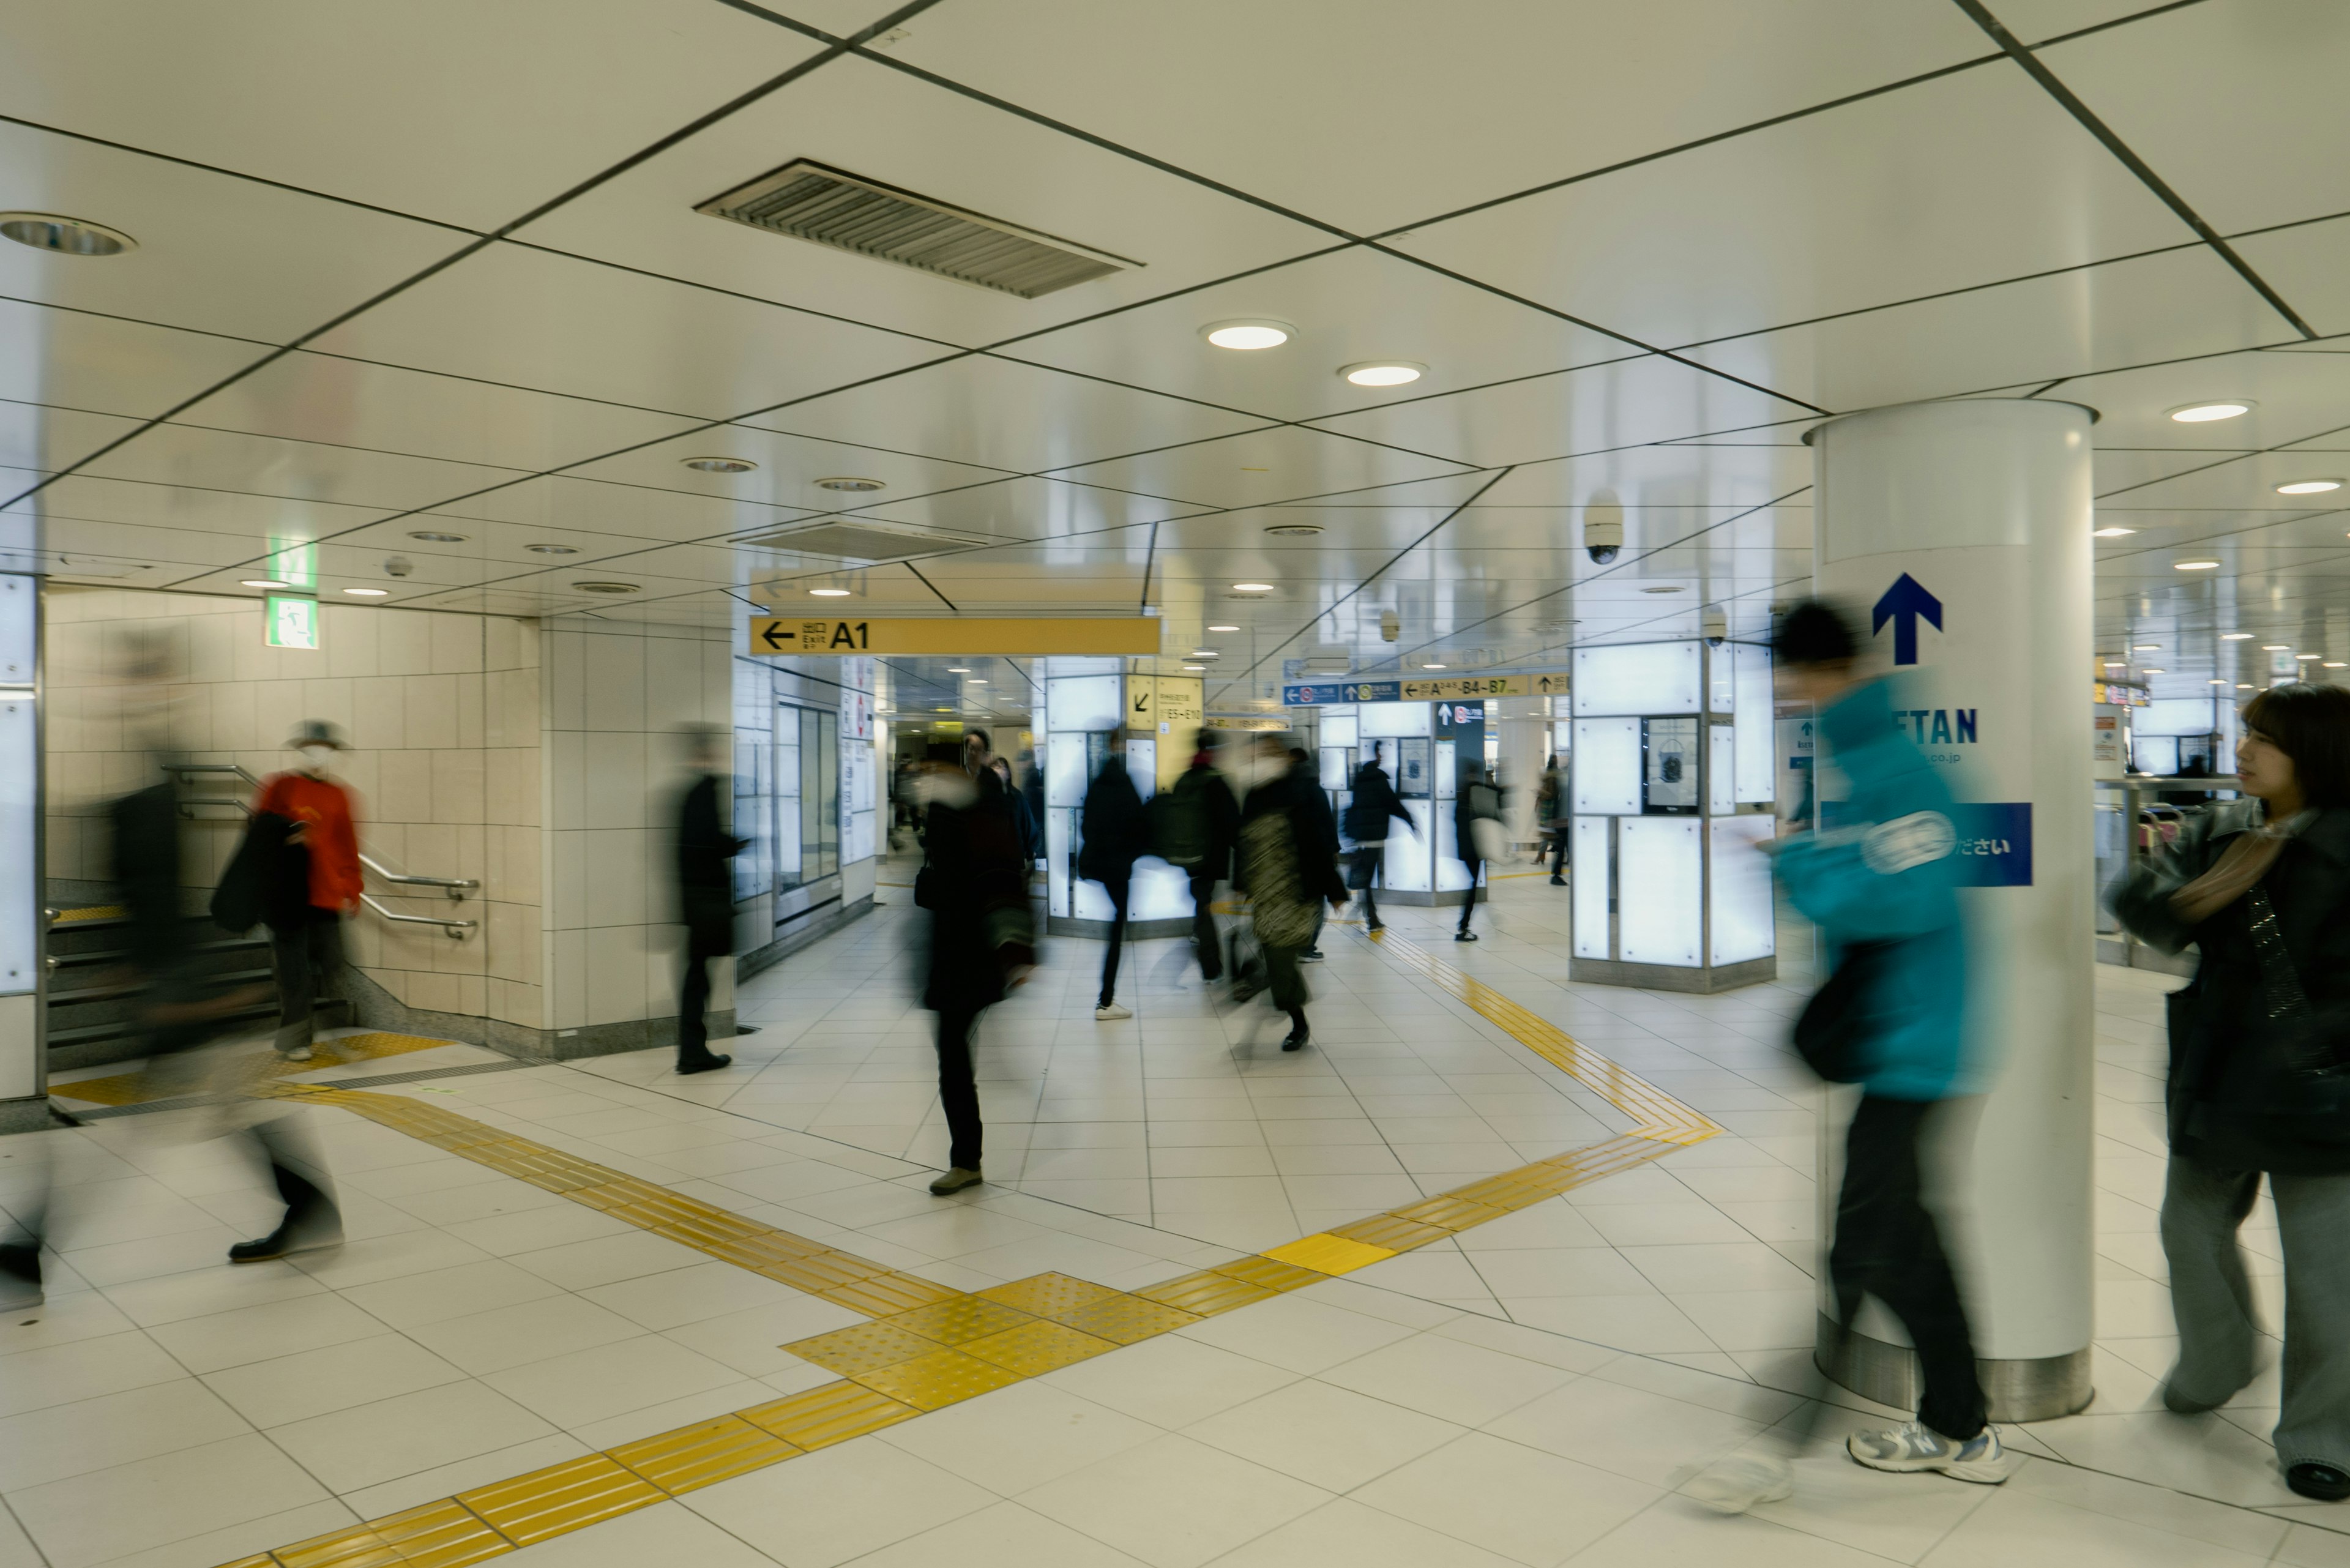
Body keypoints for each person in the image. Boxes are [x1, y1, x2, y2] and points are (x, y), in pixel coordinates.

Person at [1766, 599, 2001, 1487]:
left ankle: (1948, 1423)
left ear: (1812, 672)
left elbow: (1904, 896)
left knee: (1866, 1239)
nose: (1790, 694)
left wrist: (1798, 863)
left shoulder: (1897, 766)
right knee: (1898, 1232)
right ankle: (1960, 1423)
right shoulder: (1867, 757)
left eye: (1791, 678)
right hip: (1908, 1034)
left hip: (1920, 1039)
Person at [2111, 682, 2350, 1501]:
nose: (2243, 749)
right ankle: (2216, 1360)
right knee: (2189, 1226)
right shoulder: (2223, 828)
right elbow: (2136, 903)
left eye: (2264, 739)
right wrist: (2198, 894)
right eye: (2245, 733)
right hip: (2222, 1074)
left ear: (2313, 752)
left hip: (2324, 1091)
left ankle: (2322, 1435)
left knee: (2326, 1276)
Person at [917, 730, 1034, 1195]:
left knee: (952, 1054)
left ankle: (967, 1161)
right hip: (963, 951)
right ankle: (967, 1159)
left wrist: (1015, 953)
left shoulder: (968, 810)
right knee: (954, 1053)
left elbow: (994, 879)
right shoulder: (968, 807)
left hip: (965, 953)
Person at [253, 721, 362, 1063]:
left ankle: (319, 1029)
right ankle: (295, 1040)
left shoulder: (340, 795)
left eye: (323, 746)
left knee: (333, 963)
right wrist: (287, 837)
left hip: (326, 895)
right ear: (300, 748)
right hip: (290, 896)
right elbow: (258, 833)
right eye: (311, 745)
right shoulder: (280, 787)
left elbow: (347, 845)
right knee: (295, 974)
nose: (317, 752)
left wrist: (353, 886)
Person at [1234, 734, 1346, 1051]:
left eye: (1270, 752)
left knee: (1280, 955)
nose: (1263, 758)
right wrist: (1241, 881)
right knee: (1274, 953)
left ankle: (1294, 1016)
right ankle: (1294, 1013)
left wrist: (1334, 889)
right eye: (1259, 753)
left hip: (1297, 890)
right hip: (1266, 892)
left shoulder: (1303, 791)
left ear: (1285, 757)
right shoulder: (1255, 795)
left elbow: (1318, 844)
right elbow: (1244, 843)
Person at [673, 723, 747, 1075]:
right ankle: (692, 1052)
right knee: (697, 980)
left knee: (696, 978)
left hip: (695, 902)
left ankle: (693, 1050)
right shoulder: (704, 790)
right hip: (706, 902)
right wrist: (733, 845)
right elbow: (706, 844)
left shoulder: (688, 793)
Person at [1156, 732, 1239, 983]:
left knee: (1201, 899)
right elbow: (1233, 823)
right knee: (1204, 904)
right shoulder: (1216, 781)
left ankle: (1200, 935)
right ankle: (1210, 962)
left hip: (1188, 855)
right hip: (1211, 857)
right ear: (1214, 751)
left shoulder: (1184, 777)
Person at [1079, 750, 1148, 1021]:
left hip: (1100, 866)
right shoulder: (1127, 787)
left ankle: (1106, 999)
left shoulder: (1096, 786)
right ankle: (1105, 1001)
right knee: (1118, 926)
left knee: (1116, 923)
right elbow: (1139, 826)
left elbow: (1087, 828)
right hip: (1119, 869)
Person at [1343, 745, 1416, 933]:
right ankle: (1371, 917)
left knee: (1365, 875)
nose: (1382, 756)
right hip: (1374, 837)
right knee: (1368, 876)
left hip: (1360, 835)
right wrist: (1410, 820)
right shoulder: (1379, 780)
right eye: (1379, 753)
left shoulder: (1359, 779)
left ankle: (1369, 913)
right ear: (1374, 756)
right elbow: (1392, 804)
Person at [1289, 746, 1330, 961]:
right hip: (1313, 858)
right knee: (1316, 904)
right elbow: (1327, 824)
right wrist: (1333, 851)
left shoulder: (1284, 789)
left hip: (1290, 859)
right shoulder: (1315, 790)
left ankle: (1296, 945)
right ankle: (1306, 947)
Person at [1452, 761, 1501, 943]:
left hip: (1466, 850)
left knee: (1472, 885)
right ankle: (1463, 927)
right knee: (1472, 887)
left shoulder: (1462, 797)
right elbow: (1495, 802)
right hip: (1475, 849)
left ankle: (1464, 925)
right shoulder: (1477, 795)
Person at [991, 755, 1042, 868]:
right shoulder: (987, 797)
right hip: (993, 856)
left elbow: (1027, 823)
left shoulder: (1017, 797)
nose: (996, 770)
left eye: (1001, 767)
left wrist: (1030, 850)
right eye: (994, 767)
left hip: (1013, 855)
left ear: (1008, 774)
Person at [1539, 754, 1569, 885]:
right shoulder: (1563, 778)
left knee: (1562, 847)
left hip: (1560, 819)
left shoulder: (1559, 777)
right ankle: (1556, 875)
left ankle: (1556, 874)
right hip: (1563, 819)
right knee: (1563, 847)